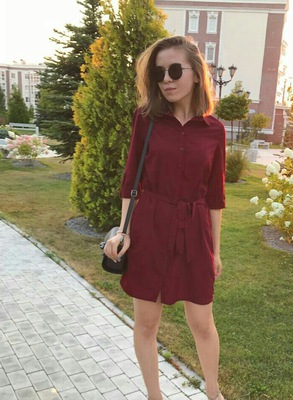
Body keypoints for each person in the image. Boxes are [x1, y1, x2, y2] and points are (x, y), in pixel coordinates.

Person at [103, 35, 226, 400]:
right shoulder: (147, 120)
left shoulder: (215, 130)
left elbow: (215, 196)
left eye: (175, 70)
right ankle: (154, 396)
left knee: (201, 322)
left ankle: (214, 393)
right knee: (146, 323)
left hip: (195, 229)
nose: (167, 80)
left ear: (196, 73)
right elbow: (131, 181)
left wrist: (215, 252)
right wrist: (124, 231)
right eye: (159, 73)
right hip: (151, 226)